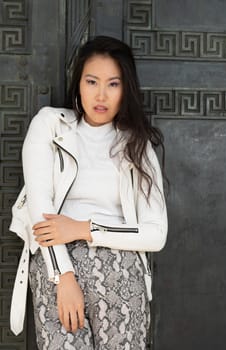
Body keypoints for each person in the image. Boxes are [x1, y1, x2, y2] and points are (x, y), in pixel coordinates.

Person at [10, 36, 168, 349]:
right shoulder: (50, 126)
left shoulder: (137, 146)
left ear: (126, 89)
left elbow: (156, 234)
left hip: (121, 273)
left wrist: (82, 228)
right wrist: (63, 278)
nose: (100, 94)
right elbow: (41, 212)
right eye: (92, 81)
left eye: (113, 84)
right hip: (58, 267)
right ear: (78, 84)